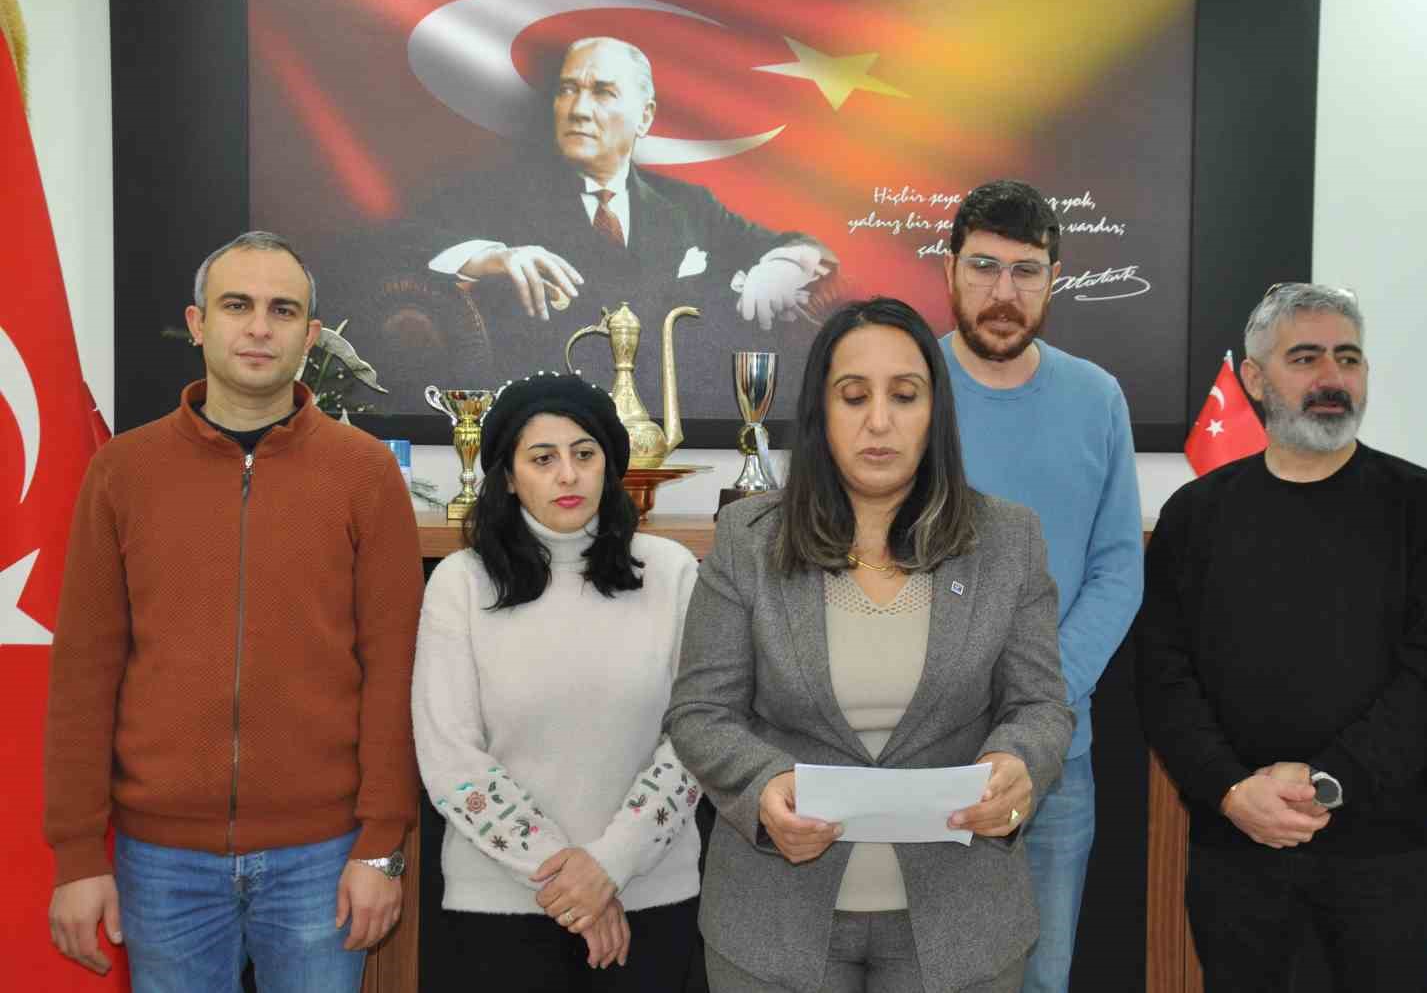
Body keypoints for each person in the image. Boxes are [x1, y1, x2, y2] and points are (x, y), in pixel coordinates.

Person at [43, 231, 425, 991]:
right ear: (198, 323)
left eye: (282, 310)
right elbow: (85, 672)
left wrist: (382, 844)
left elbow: (395, 670)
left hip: (323, 857)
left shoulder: (365, 473)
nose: (258, 327)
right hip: (162, 863)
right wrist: (79, 855)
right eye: (236, 305)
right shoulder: (123, 471)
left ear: (310, 336)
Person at [667, 297, 1074, 993]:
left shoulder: (1008, 539)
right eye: (854, 397)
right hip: (773, 923)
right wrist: (764, 788)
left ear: (934, 413)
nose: (879, 421)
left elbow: (1041, 704)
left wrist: (1018, 761)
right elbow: (700, 712)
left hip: (961, 922)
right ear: (821, 414)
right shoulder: (748, 539)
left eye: (904, 396)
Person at [1133, 282, 1427, 992]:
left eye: (1348, 358)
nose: (1332, 377)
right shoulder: (1194, 516)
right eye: (1305, 358)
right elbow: (1163, 677)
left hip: (1381, 861)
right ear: (1255, 378)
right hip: (1237, 850)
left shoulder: (1424, 506)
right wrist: (1232, 790)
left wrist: (1330, 782)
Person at [412, 372, 703, 990]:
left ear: (609, 467)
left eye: (584, 454)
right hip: (498, 909)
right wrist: (569, 878)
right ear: (508, 476)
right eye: (543, 459)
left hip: (651, 899)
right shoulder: (461, 582)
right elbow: (449, 755)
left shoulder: (673, 573)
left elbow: (696, 739)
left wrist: (609, 866)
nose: (568, 475)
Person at [382, 35, 838, 407]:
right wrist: (489, 258)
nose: (578, 109)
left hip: (670, 432)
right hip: (551, 427)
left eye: (602, 92)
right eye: (567, 90)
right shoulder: (500, 194)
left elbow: (805, 247)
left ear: (645, 117)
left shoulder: (688, 205)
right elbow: (394, 242)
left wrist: (781, 266)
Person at [938, 180, 1144, 991]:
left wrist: (1039, 700)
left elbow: (1118, 568)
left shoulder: (1097, 398)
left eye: (1026, 271)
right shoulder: (903, 389)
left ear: (1054, 279)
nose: (1004, 292)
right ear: (950, 270)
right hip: (914, 757)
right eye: (984, 267)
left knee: (1040, 981)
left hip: (1056, 762)